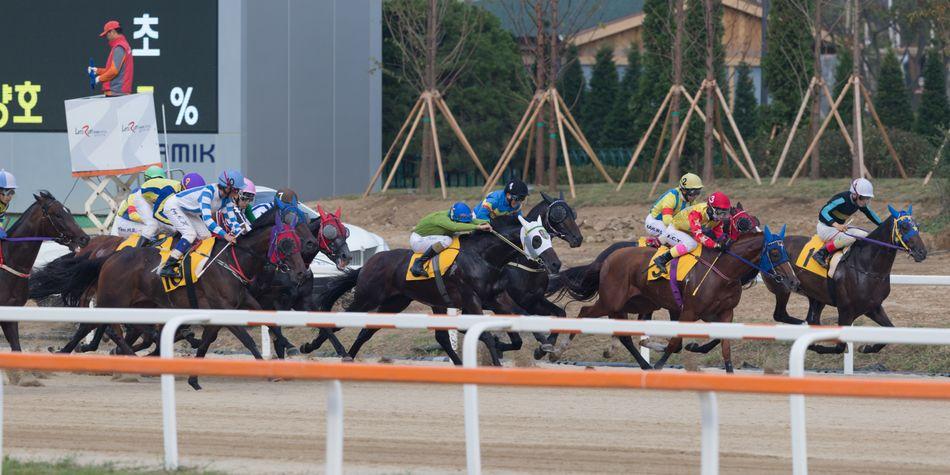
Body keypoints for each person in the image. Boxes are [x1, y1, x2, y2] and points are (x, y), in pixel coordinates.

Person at [159, 170, 245, 278]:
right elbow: (208, 220)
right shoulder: (208, 192)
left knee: (206, 236)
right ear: (227, 187)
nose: (237, 193)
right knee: (190, 234)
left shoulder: (227, 200)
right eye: (236, 190)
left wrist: (240, 234)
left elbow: (232, 220)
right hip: (173, 206)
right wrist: (225, 235)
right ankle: (168, 266)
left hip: (189, 211)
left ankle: (191, 260)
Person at [653, 192, 733, 275]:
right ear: (712, 209)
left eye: (726, 212)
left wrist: (724, 241)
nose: (723, 216)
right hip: (674, 230)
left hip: (687, 232)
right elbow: (699, 237)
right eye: (721, 212)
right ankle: (662, 259)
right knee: (692, 244)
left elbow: (719, 232)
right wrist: (716, 245)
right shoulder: (696, 213)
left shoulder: (716, 218)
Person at [812, 178, 883, 267]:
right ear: (854, 194)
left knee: (864, 235)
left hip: (838, 229)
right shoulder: (841, 199)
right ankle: (821, 253)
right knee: (852, 238)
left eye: (867, 198)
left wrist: (883, 225)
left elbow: (870, 213)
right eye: (862, 198)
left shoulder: (859, 202)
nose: (865, 201)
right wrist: (836, 225)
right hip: (825, 228)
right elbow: (823, 212)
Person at [409, 202, 491, 278]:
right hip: (418, 240)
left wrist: (489, 222)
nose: (464, 223)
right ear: (454, 218)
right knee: (447, 240)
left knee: (455, 237)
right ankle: (418, 263)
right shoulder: (442, 219)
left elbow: (471, 221)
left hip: (429, 236)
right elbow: (455, 227)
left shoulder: (453, 215)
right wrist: (478, 227)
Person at [645, 173, 704, 239]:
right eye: (693, 193)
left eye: (698, 192)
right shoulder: (671, 197)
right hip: (654, 222)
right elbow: (667, 220)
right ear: (684, 191)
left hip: (667, 223)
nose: (695, 196)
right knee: (674, 235)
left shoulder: (692, 202)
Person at [88, 20, 134, 96]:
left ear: (112, 32)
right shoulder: (123, 45)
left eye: (107, 34)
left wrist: (98, 79)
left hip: (116, 92)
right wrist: (97, 71)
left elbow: (114, 71)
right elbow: (114, 70)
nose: (107, 37)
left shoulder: (119, 47)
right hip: (119, 92)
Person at [0, 170, 17, 239]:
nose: (10, 197)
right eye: (8, 193)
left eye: (12, 193)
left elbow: (0, 218)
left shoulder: (5, 204)